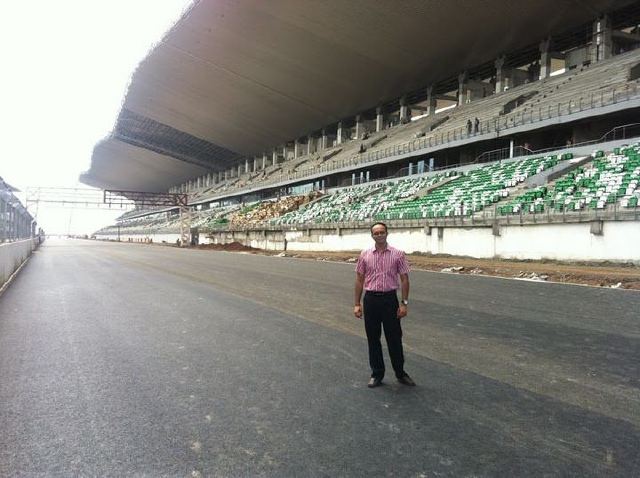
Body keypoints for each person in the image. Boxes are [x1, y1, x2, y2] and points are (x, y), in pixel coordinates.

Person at [354, 222, 415, 388]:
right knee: (373, 339)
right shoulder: (365, 254)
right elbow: (359, 279)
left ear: (387, 233)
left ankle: (400, 373)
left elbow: (404, 279)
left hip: (389, 300)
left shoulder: (398, 254)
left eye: (382, 232)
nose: (379, 235)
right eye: (376, 233)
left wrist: (404, 303)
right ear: (372, 235)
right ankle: (377, 374)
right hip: (371, 300)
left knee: (394, 339)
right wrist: (357, 303)